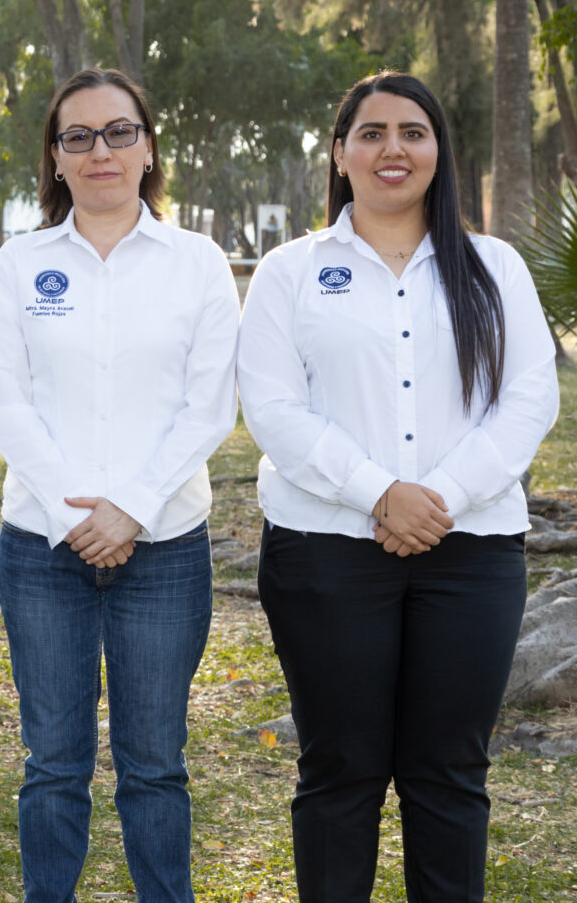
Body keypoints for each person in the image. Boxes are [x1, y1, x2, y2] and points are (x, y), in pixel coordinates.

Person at [238, 71, 557, 902]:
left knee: (449, 773)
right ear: (339, 153)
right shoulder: (291, 271)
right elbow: (273, 408)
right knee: (339, 770)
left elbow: (529, 398)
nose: (394, 149)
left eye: (413, 132)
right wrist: (381, 493)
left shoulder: (494, 266)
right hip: (325, 554)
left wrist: (437, 497)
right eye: (372, 133)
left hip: (471, 553)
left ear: (438, 151)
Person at [0, 67, 240, 903]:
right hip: (41, 550)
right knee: (52, 763)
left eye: (119, 132)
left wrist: (131, 509)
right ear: (55, 158)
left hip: (165, 550)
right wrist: (74, 515)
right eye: (78, 136)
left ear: (148, 147)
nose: (101, 151)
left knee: (155, 763)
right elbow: (4, 401)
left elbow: (209, 406)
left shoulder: (197, 263)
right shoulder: (21, 264)